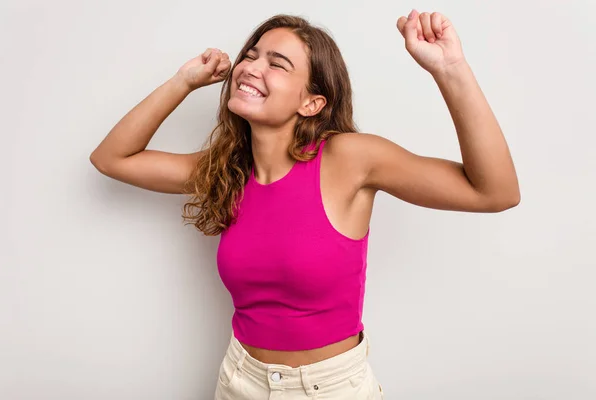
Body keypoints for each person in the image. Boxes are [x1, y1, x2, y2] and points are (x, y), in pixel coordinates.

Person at [90, 9, 520, 400]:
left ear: (311, 103)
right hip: (239, 381)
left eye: (277, 64)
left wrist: (451, 69)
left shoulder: (349, 159)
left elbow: (495, 192)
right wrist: (182, 81)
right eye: (252, 55)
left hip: (329, 389)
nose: (251, 68)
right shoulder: (226, 170)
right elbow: (112, 158)